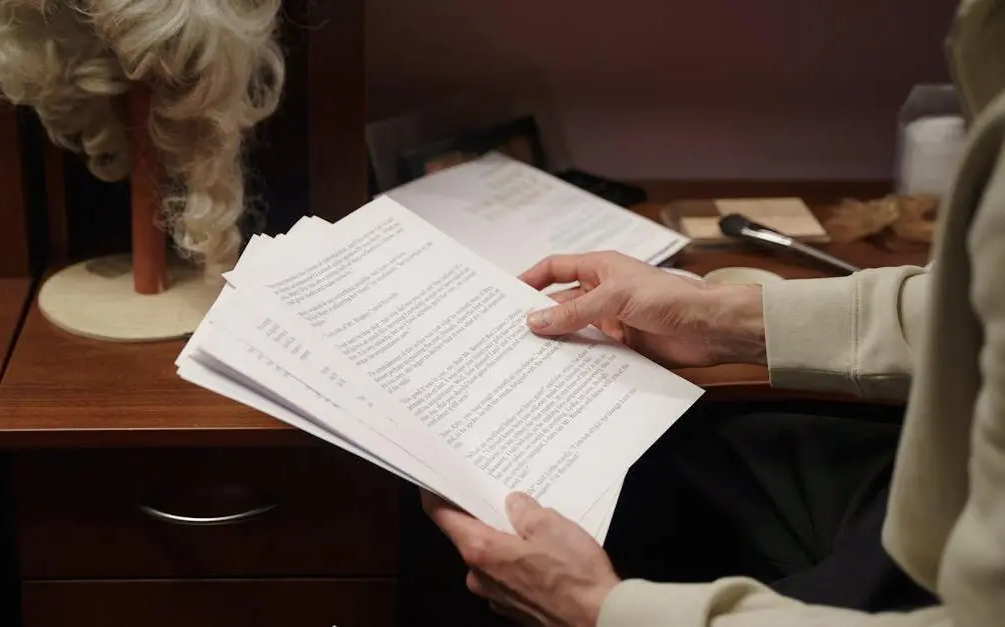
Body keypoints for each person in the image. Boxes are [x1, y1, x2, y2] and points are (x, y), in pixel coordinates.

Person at [419, 0, 1005, 625]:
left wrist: (602, 613)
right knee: (688, 454)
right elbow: (974, 311)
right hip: (949, 487)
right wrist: (723, 319)